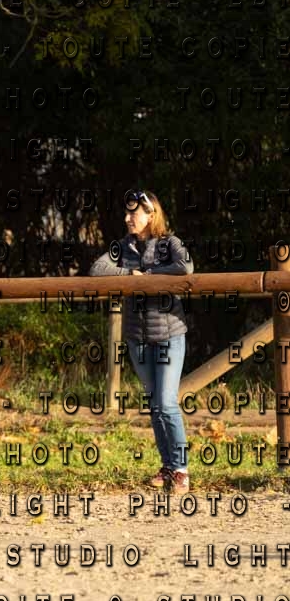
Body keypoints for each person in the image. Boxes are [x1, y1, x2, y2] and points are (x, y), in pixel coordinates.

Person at [89, 190, 194, 493]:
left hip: (170, 334)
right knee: (154, 404)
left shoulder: (169, 243)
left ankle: (181, 470)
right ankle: (168, 466)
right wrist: (129, 273)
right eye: (126, 213)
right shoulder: (123, 247)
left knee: (166, 402)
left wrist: (148, 274)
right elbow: (97, 270)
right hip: (138, 337)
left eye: (133, 213)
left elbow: (186, 267)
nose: (127, 218)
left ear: (151, 215)